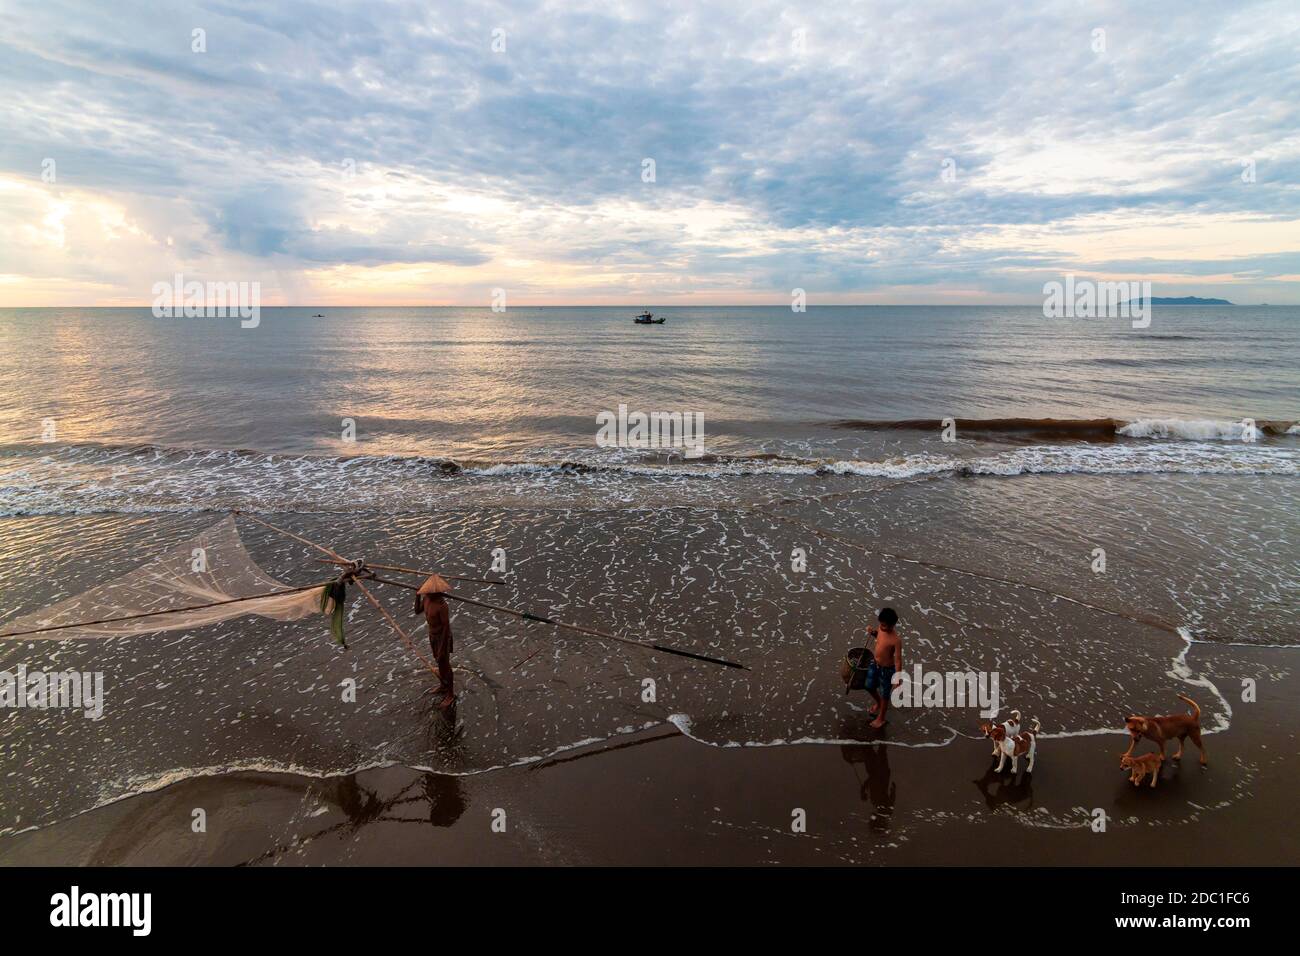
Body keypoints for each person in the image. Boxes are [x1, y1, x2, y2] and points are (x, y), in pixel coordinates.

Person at [413, 574, 455, 708]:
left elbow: (446, 629)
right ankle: (443, 685)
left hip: (443, 637)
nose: (427, 593)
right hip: (432, 635)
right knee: (438, 661)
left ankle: (450, 694)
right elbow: (417, 611)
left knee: (445, 664)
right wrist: (417, 595)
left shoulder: (441, 605)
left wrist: (443, 647)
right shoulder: (426, 599)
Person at [865, 607, 902, 728]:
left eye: (885, 625)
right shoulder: (881, 629)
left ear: (892, 625)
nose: (881, 627)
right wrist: (873, 632)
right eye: (880, 624)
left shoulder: (896, 640)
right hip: (875, 664)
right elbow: (879, 638)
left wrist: (898, 677)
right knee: (869, 686)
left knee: (885, 695)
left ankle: (881, 718)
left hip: (887, 670)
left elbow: (897, 660)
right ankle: (879, 703)